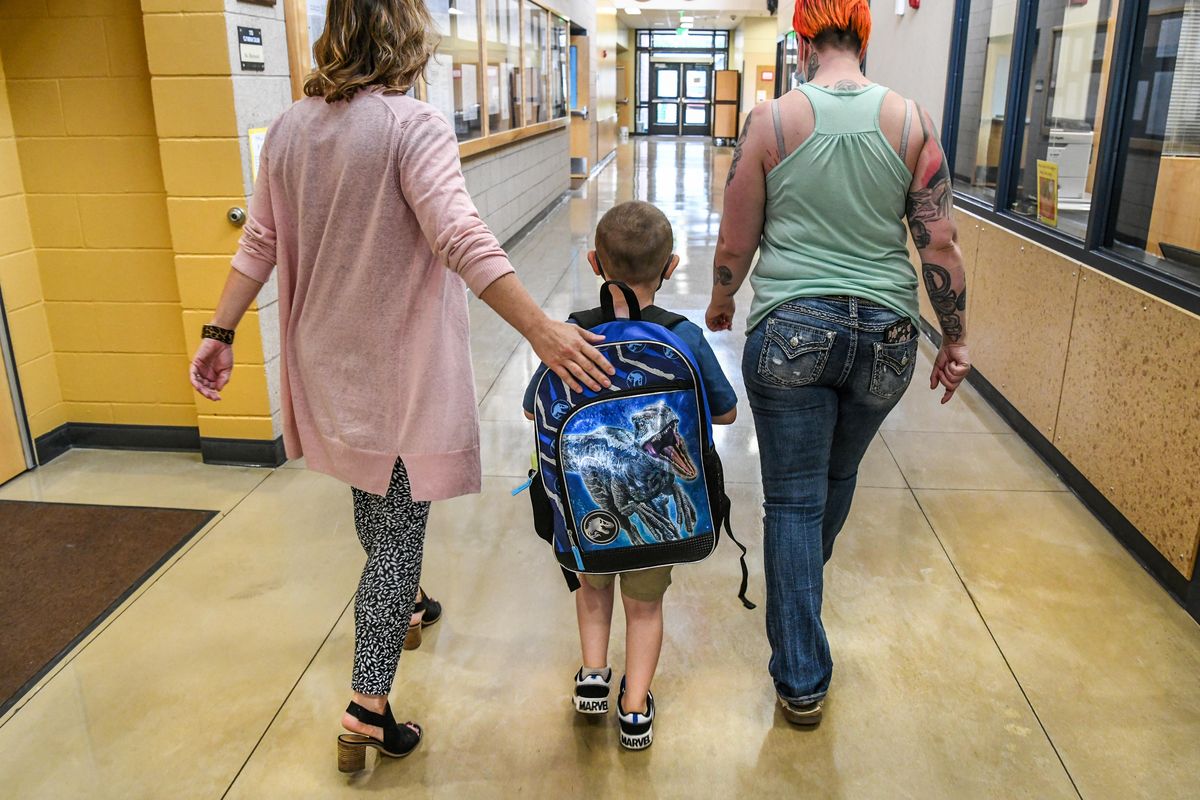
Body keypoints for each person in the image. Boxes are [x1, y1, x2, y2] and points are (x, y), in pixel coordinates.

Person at [186, 0, 614, 773]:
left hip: (324, 359)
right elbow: (459, 235)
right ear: (407, 38)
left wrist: (219, 332)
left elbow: (261, 238)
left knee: (373, 500)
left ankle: (406, 606)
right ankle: (366, 707)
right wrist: (541, 332)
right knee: (396, 537)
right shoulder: (410, 126)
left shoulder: (289, 128)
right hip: (397, 369)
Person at [706, 0, 971, 726]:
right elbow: (938, 246)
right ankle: (801, 600)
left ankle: (800, 675)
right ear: (864, 35)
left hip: (792, 325)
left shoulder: (771, 121)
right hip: (886, 336)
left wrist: (722, 299)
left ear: (802, 40)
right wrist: (953, 337)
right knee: (837, 475)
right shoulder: (914, 122)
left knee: (793, 501)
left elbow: (736, 238)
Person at [522, 201, 738, 750]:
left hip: (585, 508)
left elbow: (532, 409)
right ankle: (635, 709)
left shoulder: (571, 334)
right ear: (670, 268)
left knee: (592, 591)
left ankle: (593, 675)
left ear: (595, 263)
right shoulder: (683, 336)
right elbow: (726, 412)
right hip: (658, 523)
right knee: (645, 608)